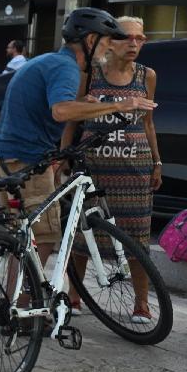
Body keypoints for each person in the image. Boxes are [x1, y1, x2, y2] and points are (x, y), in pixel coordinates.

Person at [0, 8, 156, 266]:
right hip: (26, 159)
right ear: (90, 41)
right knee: (43, 236)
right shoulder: (66, 67)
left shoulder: (49, 61)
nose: (108, 47)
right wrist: (119, 105)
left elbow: (57, 105)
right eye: (106, 40)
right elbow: (62, 111)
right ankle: (23, 304)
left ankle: (14, 299)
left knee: (26, 235)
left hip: (8, 154)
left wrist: (84, 103)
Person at [66, 16, 160, 319]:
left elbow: (148, 123)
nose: (134, 44)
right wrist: (62, 156)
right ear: (111, 39)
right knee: (82, 235)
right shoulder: (90, 73)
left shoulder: (147, 76)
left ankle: (141, 303)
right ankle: (74, 296)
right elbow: (73, 117)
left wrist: (157, 161)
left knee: (137, 238)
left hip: (135, 169)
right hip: (96, 167)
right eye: (127, 37)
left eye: (140, 38)